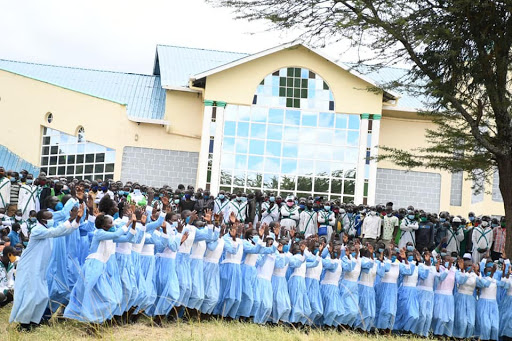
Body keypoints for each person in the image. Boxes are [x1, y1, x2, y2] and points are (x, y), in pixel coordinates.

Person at [9, 206, 82, 329]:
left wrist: (77, 219)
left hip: (39, 269)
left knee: (42, 296)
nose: (52, 219)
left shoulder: (46, 228)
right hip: (29, 268)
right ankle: (24, 324)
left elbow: (65, 231)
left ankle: (34, 321)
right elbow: (56, 231)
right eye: (50, 218)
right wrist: (70, 218)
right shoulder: (38, 230)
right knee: (30, 296)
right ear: (42, 219)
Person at [64, 212, 137, 323]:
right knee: (90, 294)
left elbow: (128, 238)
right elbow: (117, 234)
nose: (113, 225)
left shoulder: (109, 236)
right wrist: (129, 222)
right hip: (93, 266)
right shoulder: (99, 233)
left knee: (108, 298)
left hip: (101, 267)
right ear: (104, 226)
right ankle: (91, 322)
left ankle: (95, 320)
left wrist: (134, 224)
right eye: (111, 223)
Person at [453, 254, 478, 339]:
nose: (470, 267)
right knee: (462, 321)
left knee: (471, 323)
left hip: (470, 299)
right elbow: (460, 281)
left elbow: (482, 284)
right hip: (461, 298)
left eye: (471, 265)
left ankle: (468, 338)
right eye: (468, 266)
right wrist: (465, 271)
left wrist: (477, 272)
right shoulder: (459, 273)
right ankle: (458, 337)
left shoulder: (474, 275)